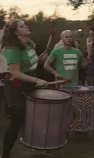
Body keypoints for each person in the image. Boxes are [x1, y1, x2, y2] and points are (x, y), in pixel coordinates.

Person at [0, 20, 48, 158]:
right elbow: (15, 72)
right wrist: (37, 80)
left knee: (34, 118)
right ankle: (5, 155)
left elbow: (28, 64)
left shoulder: (28, 45)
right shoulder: (12, 49)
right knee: (16, 123)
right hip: (17, 88)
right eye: (21, 26)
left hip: (29, 84)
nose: (26, 26)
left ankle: (37, 147)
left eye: (24, 24)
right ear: (16, 33)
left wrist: (39, 60)